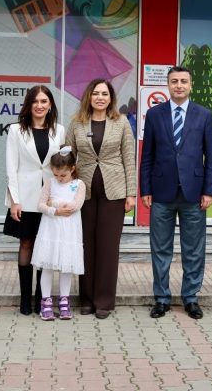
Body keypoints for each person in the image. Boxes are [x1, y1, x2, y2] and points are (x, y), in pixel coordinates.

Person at [140, 66, 212, 320]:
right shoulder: (154, 114)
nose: (179, 85)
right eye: (175, 81)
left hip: (194, 194)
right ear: (168, 85)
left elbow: (210, 157)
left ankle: (190, 298)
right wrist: (145, 189)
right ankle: (161, 298)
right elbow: (147, 155)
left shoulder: (204, 115)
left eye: (184, 81)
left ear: (191, 85)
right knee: (160, 249)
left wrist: (209, 190)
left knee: (193, 250)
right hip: (161, 193)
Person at [65, 79, 136, 319]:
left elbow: (129, 158)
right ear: (89, 96)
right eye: (96, 93)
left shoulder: (121, 122)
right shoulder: (77, 123)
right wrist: (64, 187)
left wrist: (131, 193)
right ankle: (86, 299)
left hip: (114, 193)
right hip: (83, 194)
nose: (100, 98)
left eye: (105, 94)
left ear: (110, 98)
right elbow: (68, 155)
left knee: (108, 247)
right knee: (85, 246)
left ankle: (104, 301)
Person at [4, 85, 65, 315]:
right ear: (28, 105)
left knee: (45, 247)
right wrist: (14, 200)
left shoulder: (59, 130)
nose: (39, 105)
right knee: (26, 244)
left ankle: (42, 297)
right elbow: (11, 167)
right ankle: (25, 299)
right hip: (25, 198)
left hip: (49, 199)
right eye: (35, 101)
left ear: (50, 105)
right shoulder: (16, 130)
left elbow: (62, 165)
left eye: (44, 101)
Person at [30, 147, 85, 320]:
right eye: (56, 175)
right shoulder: (50, 182)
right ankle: (45, 302)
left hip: (69, 230)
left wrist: (54, 202)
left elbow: (77, 205)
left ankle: (64, 301)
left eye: (63, 175)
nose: (59, 178)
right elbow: (41, 204)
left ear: (72, 169)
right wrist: (54, 209)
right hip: (51, 229)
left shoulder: (79, 184)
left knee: (66, 266)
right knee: (47, 265)